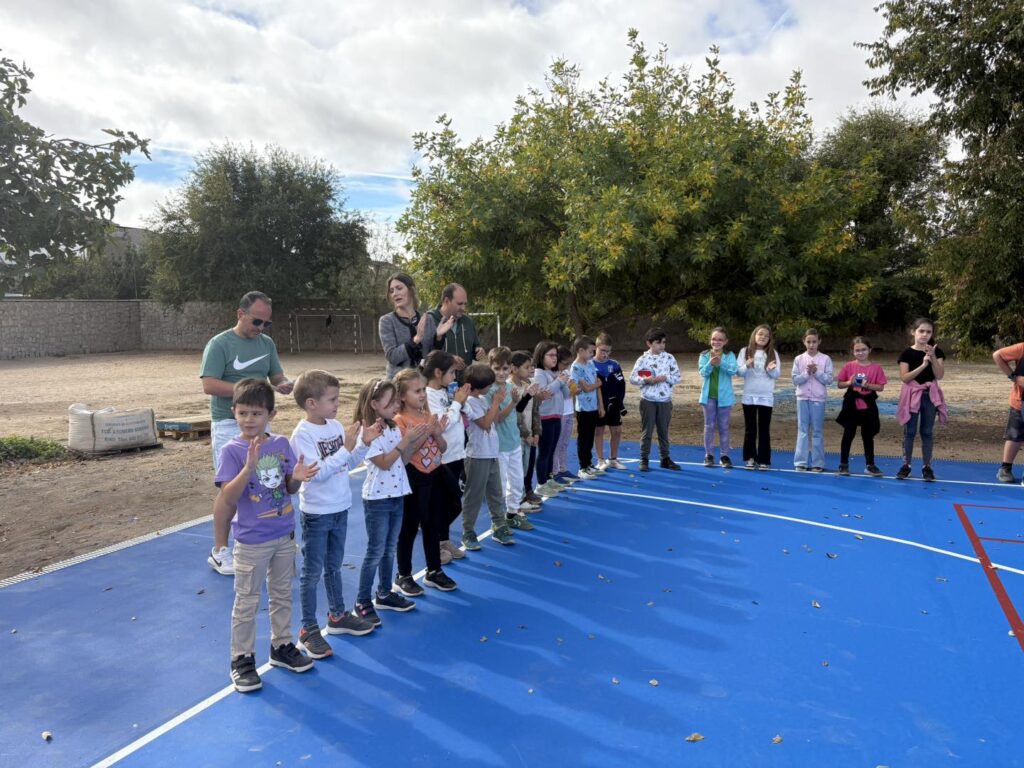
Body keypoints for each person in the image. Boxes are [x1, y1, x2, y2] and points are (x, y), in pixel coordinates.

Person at [213, 379, 318, 693]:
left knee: (282, 594)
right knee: (246, 602)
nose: (248, 420)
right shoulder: (232, 451)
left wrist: (297, 480)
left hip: (284, 534)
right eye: (242, 413)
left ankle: (282, 646)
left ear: (270, 414)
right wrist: (248, 468)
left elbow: (287, 488)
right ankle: (242, 658)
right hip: (251, 541)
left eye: (256, 413)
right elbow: (228, 498)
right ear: (233, 413)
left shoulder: (281, 444)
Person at [201, 290, 293, 577]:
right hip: (230, 422)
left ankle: (268, 540)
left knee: (264, 481)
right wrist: (248, 396)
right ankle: (220, 550)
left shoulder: (266, 343)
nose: (261, 329)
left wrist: (284, 384)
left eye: (267, 324)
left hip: (260, 422)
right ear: (240, 314)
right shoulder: (219, 344)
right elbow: (209, 384)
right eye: (256, 322)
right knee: (229, 488)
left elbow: (275, 376)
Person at [289, 370, 377, 661]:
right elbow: (317, 473)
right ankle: (308, 629)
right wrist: (347, 448)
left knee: (334, 566)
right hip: (317, 514)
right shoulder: (302, 435)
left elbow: (347, 464)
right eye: (333, 399)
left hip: (339, 508)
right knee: (311, 573)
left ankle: (337, 616)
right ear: (311, 403)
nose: (338, 404)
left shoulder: (336, 426)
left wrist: (362, 443)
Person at [351, 378, 424, 626]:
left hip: (397, 495)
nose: (396, 406)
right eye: (390, 402)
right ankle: (362, 600)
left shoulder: (393, 427)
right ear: (374, 404)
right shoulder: (369, 433)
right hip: (378, 499)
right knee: (375, 551)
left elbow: (400, 462)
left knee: (389, 547)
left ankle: (384, 593)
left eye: (396, 401)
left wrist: (413, 441)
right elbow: (383, 462)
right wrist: (405, 443)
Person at [392, 368, 457, 595]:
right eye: (416, 391)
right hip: (414, 478)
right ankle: (403, 575)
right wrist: (419, 436)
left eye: (422, 390)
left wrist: (437, 433)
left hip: (435, 474)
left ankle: (434, 570)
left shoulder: (427, 416)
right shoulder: (399, 421)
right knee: (409, 526)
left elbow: (443, 448)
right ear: (401, 396)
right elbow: (403, 457)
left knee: (433, 523)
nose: (422, 395)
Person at [461, 362, 516, 549]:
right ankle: (468, 531)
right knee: (474, 495)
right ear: (478, 386)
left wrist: (497, 404)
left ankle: (499, 525)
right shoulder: (469, 402)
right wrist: (495, 403)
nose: (491, 388)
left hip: (491, 453)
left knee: (495, 492)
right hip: (477, 456)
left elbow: (495, 418)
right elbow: (484, 423)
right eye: (488, 385)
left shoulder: (482, 399)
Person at [423, 350, 471, 563]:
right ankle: (435, 543)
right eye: (451, 372)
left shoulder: (445, 391)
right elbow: (442, 424)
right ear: (437, 372)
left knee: (452, 501)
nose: (454, 377)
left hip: (456, 454)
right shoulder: (428, 396)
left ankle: (443, 540)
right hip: (441, 458)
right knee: (447, 504)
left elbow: (460, 413)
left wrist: (460, 400)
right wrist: (457, 403)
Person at [488, 346, 537, 530]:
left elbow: (515, 414)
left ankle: (512, 513)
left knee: (517, 480)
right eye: (497, 369)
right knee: (499, 485)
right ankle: (498, 520)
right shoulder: (491, 390)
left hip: (514, 442)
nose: (501, 373)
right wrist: (515, 402)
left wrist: (523, 432)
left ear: (510, 369)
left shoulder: (510, 387)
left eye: (505, 368)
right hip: (499, 446)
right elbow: (498, 418)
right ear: (490, 368)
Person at [896, 318, 947, 481]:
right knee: (909, 432)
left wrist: (931, 358)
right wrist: (923, 365)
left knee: (927, 432)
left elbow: (939, 375)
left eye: (929, 332)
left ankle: (927, 466)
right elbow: (905, 378)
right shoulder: (907, 353)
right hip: (911, 396)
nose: (925, 335)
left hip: (929, 396)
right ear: (914, 332)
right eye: (921, 331)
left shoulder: (936, 352)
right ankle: (906, 465)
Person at [629, 327, 682, 472]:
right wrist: (647, 380)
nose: (662, 346)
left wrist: (666, 378)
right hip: (648, 401)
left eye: (663, 342)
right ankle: (644, 459)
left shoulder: (669, 358)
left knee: (663, 431)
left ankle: (665, 458)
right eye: (658, 343)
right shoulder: (643, 359)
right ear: (649, 343)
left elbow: (678, 377)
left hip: (665, 400)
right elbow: (633, 378)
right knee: (647, 430)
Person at [835, 337, 887, 477]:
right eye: (857, 350)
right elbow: (840, 384)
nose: (860, 353)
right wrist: (849, 382)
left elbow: (881, 387)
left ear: (869, 350)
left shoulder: (876, 368)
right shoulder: (849, 366)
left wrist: (867, 385)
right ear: (852, 351)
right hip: (852, 404)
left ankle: (870, 465)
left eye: (863, 349)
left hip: (868, 404)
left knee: (868, 435)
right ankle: (843, 464)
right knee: (848, 433)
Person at [379, 272, 443, 380]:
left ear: (411, 290)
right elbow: (393, 357)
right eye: (391, 291)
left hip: (423, 383)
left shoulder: (428, 319)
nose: (395, 293)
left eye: (399, 288)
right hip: (398, 386)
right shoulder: (387, 321)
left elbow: (433, 358)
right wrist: (416, 340)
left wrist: (439, 337)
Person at [736, 324, 781, 470]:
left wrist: (770, 370)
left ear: (769, 339)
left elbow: (776, 374)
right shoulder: (745, 351)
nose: (763, 337)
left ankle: (764, 460)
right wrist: (747, 366)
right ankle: (750, 458)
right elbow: (739, 372)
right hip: (749, 396)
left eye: (766, 336)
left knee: (764, 429)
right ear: (754, 335)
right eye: (760, 334)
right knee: (750, 429)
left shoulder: (773, 353)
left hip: (766, 397)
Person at [531, 341, 571, 497]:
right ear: (542, 356)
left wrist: (566, 383)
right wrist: (559, 381)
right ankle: (541, 484)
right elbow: (545, 392)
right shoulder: (539, 373)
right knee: (544, 451)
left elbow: (567, 395)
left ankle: (549, 479)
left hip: (556, 416)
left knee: (551, 449)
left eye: (556, 355)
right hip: (545, 417)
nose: (555, 358)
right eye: (551, 355)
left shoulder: (555, 373)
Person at [792, 328, 833, 472]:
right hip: (802, 398)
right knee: (802, 429)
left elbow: (829, 380)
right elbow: (795, 380)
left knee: (817, 431)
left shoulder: (826, 359)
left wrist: (817, 372)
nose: (811, 345)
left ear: (819, 342)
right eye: (808, 341)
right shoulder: (799, 359)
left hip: (818, 399)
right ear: (804, 342)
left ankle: (818, 463)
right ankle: (800, 462)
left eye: (814, 341)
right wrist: (806, 373)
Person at [698, 327, 738, 468]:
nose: (717, 342)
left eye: (720, 339)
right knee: (709, 426)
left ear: (725, 341)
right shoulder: (704, 355)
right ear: (710, 340)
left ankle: (724, 456)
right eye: (714, 339)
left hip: (725, 398)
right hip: (708, 397)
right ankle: (708, 455)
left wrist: (721, 363)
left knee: (724, 427)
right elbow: (703, 373)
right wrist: (710, 363)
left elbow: (734, 370)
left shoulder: (729, 355)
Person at [510, 349, 546, 505]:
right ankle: (518, 497)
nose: (531, 369)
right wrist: (526, 434)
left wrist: (536, 431)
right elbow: (516, 415)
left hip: (531, 434)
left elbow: (535, 410)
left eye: (531, 366)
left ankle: (528, 490)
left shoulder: (529, 384)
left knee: (529, 464)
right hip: (519, 435)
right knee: (519, 468)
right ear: (514, 368)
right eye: (527, 366)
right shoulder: (510, 388)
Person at [428, 283, 485, 379]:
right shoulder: (429, 320)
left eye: (465, 304)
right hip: (440, 388)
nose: (463, 308)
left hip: (464, 385)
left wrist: (478, 351)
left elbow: (475, 345)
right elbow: (425, 355)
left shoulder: (468, 322)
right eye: (459, 304)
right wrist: (449, 359)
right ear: (446, 301)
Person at [570, 336, 606, 479]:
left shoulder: (590, 364)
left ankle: (589, 464)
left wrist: (601, 406)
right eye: (591, 351)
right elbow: (586, 388)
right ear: (580, 350)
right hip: (583, 408)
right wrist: (598, 384)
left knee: (590, 437)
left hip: (593, 407)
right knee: (583, 437)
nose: (592, 354)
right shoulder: (576, 367)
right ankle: (582, 467)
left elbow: (596, 386)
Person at [593, 333, 627, 470]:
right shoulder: (590, 364)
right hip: (597, 404)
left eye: (608, 351)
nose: (605, 354)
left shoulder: (614, 365)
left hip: (614, 404)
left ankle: (613, 459)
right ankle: (600, 460)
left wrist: (619, 403)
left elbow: (621, 384)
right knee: (599, 430)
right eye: (602, 350)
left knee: (617, 431)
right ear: (596, 348)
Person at [992, 342, 1024, 483]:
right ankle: (1005, 468)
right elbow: (997, 355)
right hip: (1020, 401)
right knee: (1014, 434)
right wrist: (1014, 377)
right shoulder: (1022, 348)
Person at [551, 345, 578, 485]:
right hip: (558, 413)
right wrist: (566, 386)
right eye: (565, 363)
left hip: (568, 411)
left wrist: (573, 387)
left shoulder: (567, 372)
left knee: (565, 442)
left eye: (569, 363)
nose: (567, 366)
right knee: (556, 443)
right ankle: (554, 472)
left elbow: (573, 393)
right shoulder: (553, 375)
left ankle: (563, 468)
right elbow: (554, 394)